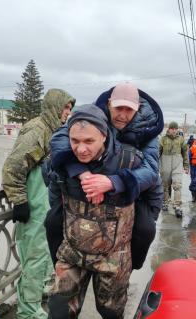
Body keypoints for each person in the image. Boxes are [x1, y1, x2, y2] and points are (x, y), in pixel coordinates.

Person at [46, 82, 164, 271]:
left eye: (129, 110)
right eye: (118, 108)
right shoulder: (93, 114)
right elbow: (60, 140)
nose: (122, 115)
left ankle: (130, 267)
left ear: (138, 108)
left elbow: (151, 170)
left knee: (145, 228)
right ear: (109, 104)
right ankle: (58, 267)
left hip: (127, 186)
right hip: (89, 180)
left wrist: (114, 182)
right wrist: (81, 173)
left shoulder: (148, 129)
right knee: (53, 221)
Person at [47, 104, 143, 318]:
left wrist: (114, 183)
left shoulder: (130, 159)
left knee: (111, 312)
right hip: (72, 252)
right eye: (75, 141)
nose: (81, 149)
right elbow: (53, 195)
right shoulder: (63, 159)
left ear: (104, 136)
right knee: (58, 311)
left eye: (89, 141)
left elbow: (150, 194)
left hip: (113, 258)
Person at [1, 89, 75, 319]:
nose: (68, 113)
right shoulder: (38, 130)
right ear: (54, 106)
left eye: (70, 109)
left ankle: (39, 291)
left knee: (43, 254)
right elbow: (12, 168)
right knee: (33, 258)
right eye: (65, 108)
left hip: (44, 205)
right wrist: (19, 201)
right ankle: (28, 310)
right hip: (32, 207)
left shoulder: (53, 131)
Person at [159, 121, 189, 217]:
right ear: (169, 129)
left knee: (177, 184)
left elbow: (185, 153)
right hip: (165, 163)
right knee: (165, 185)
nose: (174, 130)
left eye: (176, 129)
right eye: (172, 129)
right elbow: (157, 152)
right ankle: (165, 202)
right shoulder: (163, 139)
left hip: (177, 163)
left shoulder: (181, 139)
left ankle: (177, 206)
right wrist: (155, 165)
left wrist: (186, 165)